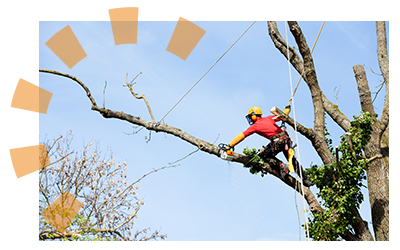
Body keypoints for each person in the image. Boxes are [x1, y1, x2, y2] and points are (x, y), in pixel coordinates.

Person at [224, 106, 313, 187]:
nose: (250, 120)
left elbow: (242, 135)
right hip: (286, 140)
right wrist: (288, 108)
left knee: (264, 156)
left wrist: (230, 145)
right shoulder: (269, 118)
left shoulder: (255, 126)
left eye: (251, 117)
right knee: (293, 161)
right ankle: (306, 180)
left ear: (254, 116)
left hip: (277, 142)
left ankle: (282, 166)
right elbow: (283, 114)